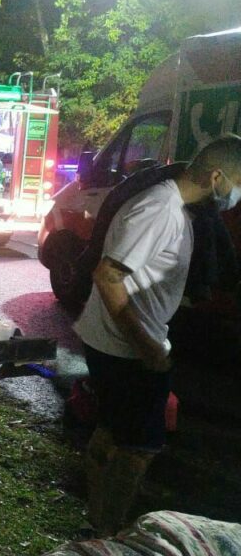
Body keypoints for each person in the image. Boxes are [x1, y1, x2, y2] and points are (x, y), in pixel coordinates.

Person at [75, 134, 241, 536]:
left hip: (117, 343)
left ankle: (96, 521)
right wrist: (148, 348)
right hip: (126, 350)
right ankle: (109, 534)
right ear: (216, 177)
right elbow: (108, 275)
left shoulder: (177, 205)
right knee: (138, 449)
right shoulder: (159, 209)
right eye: (238, 183)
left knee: (115, 430)